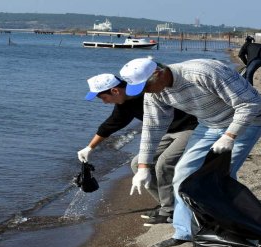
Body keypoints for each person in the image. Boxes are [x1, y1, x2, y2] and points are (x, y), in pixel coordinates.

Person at [119, 58, 261, 247]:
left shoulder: (204, 72)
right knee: (182, 174)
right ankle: (183, 232)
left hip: (250, 121)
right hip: (209, 124)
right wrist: (143, 167)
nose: (144, 92)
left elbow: (250, 104)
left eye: (145, 87)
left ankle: (231, 226)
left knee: (218, 176)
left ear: (158, 72)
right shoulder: (154, 92)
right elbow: (152, 128)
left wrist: (230, 135)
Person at [79, 73, 197, 226]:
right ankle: (168, 205)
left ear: (115, 91)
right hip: (165, 132)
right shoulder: (123, 104)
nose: (104, 102)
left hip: (190, 127)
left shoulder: (149, 91)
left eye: (103, 98)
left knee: (163, 163)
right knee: (137, 164)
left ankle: (169, 212)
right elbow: (111, 125)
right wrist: (89, 148)